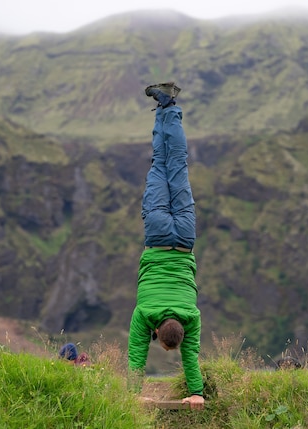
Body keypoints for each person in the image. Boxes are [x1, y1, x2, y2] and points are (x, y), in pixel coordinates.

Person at [127, 82, 205, 411]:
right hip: (158, 239)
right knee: (159, 165)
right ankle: (165, 107)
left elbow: (192, 359)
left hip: (185, 238)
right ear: (157, 332)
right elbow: (135, 356)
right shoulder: (144, 316)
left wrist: (198, 392)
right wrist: (134, 394)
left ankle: (167, 106)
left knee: (177, 164)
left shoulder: (192, 317)